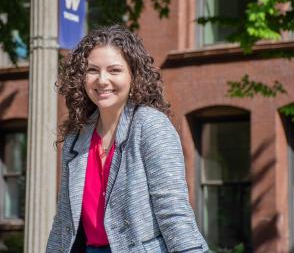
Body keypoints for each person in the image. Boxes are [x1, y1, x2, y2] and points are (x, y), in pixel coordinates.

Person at [46, 25, 208, 253]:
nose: (102, 80)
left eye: (114, 70)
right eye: (92, 70)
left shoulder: (151, 125)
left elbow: (173, 211)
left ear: (133, 75)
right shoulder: (77, 136)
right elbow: (64, 220)